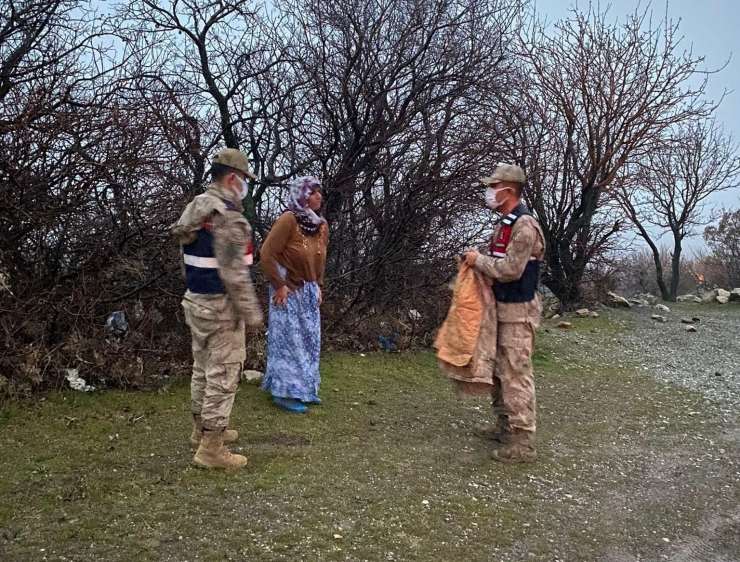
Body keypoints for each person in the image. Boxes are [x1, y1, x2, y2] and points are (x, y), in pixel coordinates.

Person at [171, 148, 263, 470]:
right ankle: (212, 449)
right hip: (223, 309)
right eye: (244, 181)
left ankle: (202, 430)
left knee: (202, 367)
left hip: (196, 301)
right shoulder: (228, 218)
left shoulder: (197, 207)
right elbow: (236, 275)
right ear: (232, 178)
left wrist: (194, 289)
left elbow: (186, 258)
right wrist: (252, 316)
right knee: (223, 375)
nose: (245, 187)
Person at [464, 163, 545, 464]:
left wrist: (478, 261)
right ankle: (503, 425)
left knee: (515, 371)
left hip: (518, 311)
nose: (490, 192)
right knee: (499, 369)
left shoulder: (524, 225)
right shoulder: (506, 223)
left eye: (494, 187)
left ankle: (523, 442)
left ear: (509, 190)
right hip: (500, 307)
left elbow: (511, 270)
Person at [260, 176, 328, 413]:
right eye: (312, 192)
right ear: (301, 195)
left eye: (319, 191)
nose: (318, 196)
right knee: (288, 340)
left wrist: (318, 284)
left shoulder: (320, 225)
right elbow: (267, 253)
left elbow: (319, 258)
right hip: (287, 288)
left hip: (308, 289)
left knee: (309, 340)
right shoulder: (288, 220)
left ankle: (305, 389)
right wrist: (278, 285)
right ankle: (284, 392)